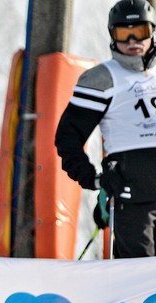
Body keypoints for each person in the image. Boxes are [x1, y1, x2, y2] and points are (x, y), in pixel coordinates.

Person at [55, 0, 156, 259]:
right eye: (124, 33)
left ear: (152, 31)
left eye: (140, 32)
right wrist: (92, 178)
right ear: (112, 35)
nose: (132, 40)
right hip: (134, 197)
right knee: (142, 279)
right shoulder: (101, 79)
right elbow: (67, 137)